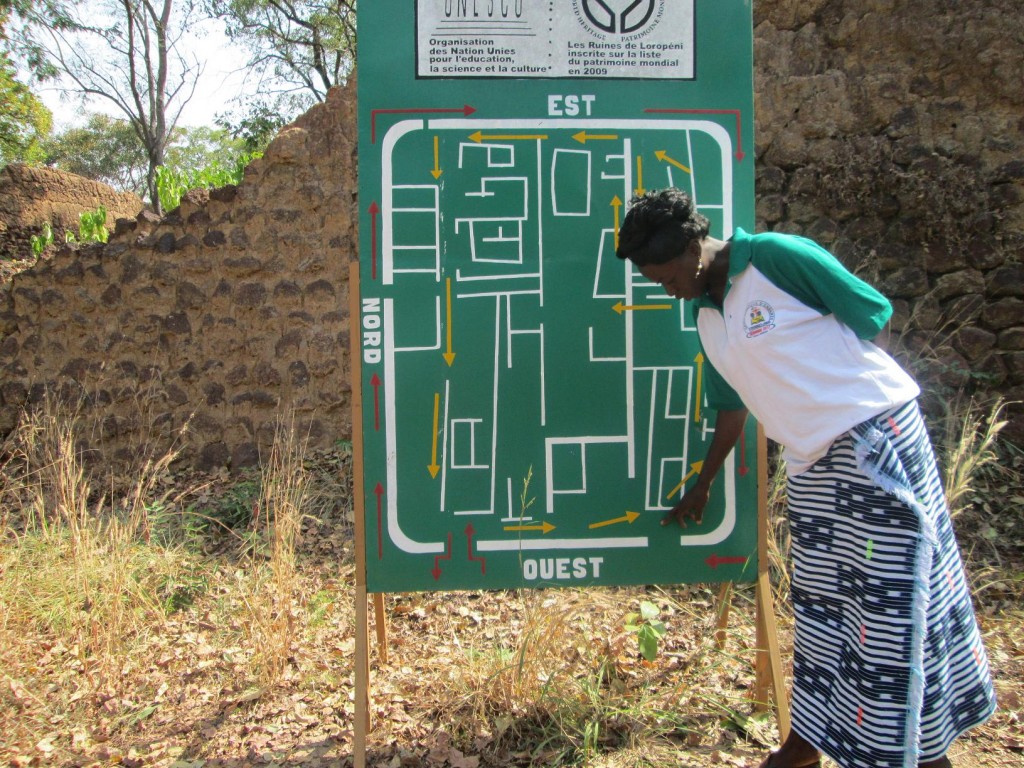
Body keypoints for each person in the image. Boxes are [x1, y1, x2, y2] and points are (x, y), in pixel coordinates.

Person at [616, 188, 996, 768]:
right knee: (824, 611)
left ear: (692, 251)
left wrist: (848, 407)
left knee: (892, 611)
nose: (660, 287)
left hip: (873, 444)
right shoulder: (707, 316)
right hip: (813, 464)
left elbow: (871, 315)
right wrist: (705, 481)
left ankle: (916, 752)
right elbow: (732, 407)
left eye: (661, 274)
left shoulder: (774, 257)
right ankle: (807, 742)